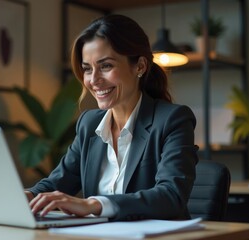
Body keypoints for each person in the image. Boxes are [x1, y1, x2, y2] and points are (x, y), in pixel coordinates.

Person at [25, 14, 198, 221]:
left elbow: (171, 196)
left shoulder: (172, 120)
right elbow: (57, 182)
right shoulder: (89, 124)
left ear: (140, 66)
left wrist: (93, 204)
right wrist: (27, 196)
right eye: (87, 69)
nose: (94, 80)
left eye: (106, 66)